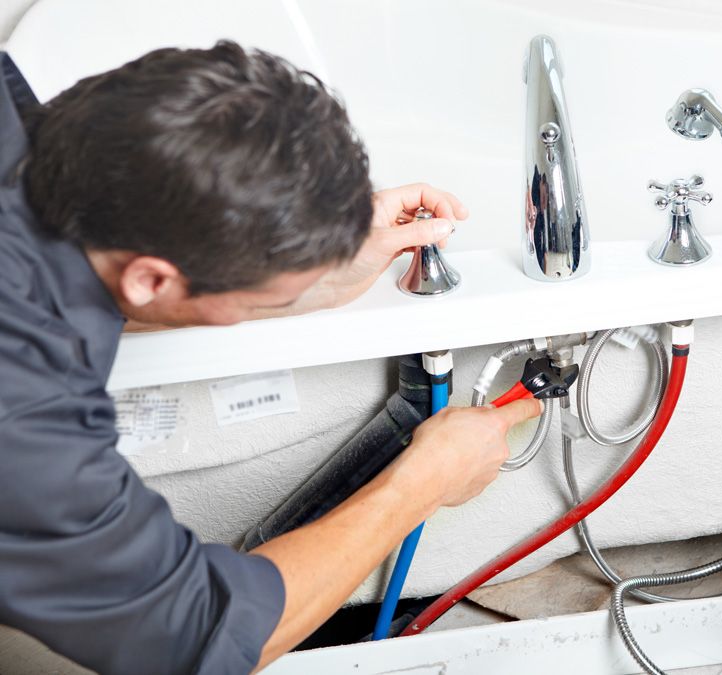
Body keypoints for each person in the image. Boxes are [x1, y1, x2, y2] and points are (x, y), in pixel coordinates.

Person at [0, 41, 541, 674]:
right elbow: (188, 636)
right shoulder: (25, 410)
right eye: (262, 298)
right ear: (151, 279)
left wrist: (307, 273)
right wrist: (425, 483)